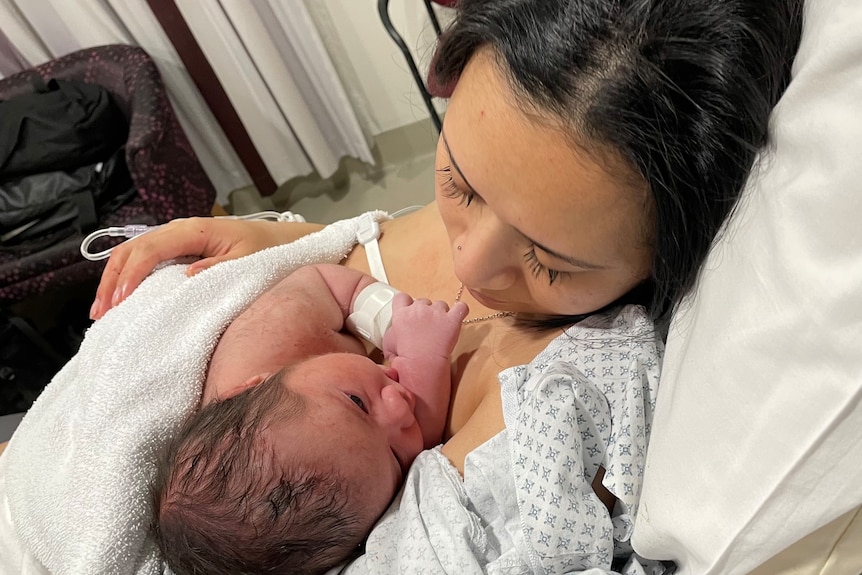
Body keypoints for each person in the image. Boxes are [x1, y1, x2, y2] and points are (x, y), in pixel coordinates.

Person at [89, 0, 803, 572]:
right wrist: (287, 236)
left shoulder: (542, 424)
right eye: (459, 182)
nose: (469, 270)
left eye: (548, 260)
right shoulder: (259, 394)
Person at [154, 263, 468, 573]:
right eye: (396, 457)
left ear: (252, 385)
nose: (401, 410)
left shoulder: (267, 339)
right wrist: (421, 358)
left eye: (356, 402)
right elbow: (424, 438)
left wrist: (387, 316)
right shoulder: (359, 472)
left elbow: (325, 283)